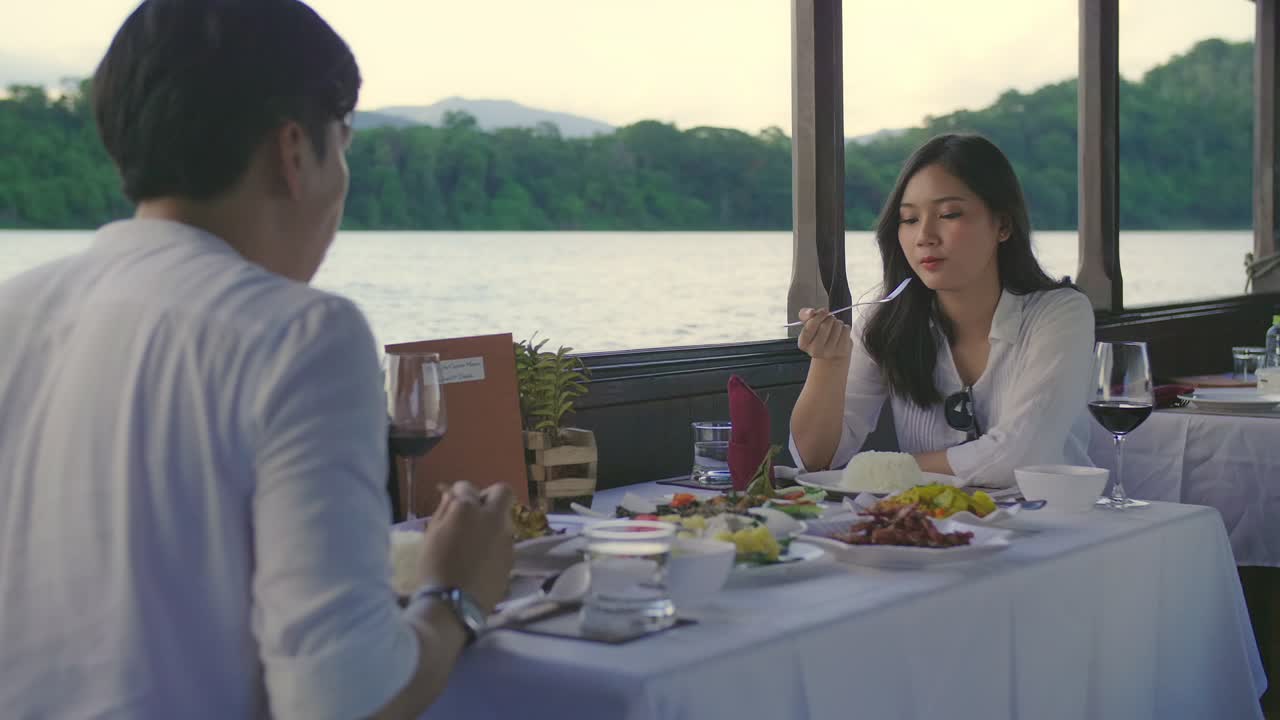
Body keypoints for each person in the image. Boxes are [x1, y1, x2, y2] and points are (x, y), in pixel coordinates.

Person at [0, 1, 513, 718]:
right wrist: (457, 593)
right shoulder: (301, 335)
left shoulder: (14, 311)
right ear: (294, 151)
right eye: (347, 144)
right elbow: (346, 701)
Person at [789, 134, 1094, 487]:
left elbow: (1020, 457)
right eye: (909, 219)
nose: (925, 236)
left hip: (1054, 527)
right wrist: (829, 363)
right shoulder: (884, 320)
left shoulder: (1060, 314)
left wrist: (882, 471)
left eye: (949, 214)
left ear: (1003, 225)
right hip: (931, 533)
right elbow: (816, 460)